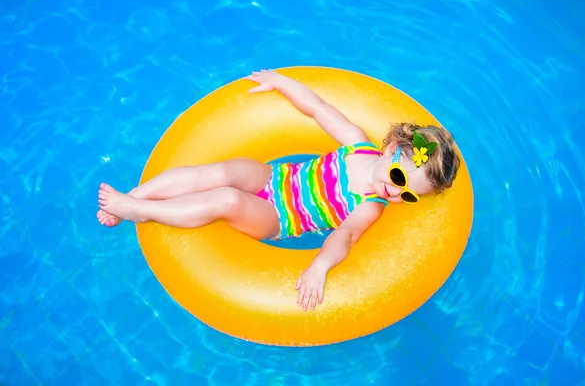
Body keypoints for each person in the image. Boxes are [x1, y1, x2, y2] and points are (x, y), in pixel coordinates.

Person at [96, 70, 460, 311]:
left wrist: (320, 266)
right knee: (221, 170)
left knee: (227, 199)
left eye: (408, 195)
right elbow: (319, 109)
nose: (396, 194)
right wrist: (282, 83)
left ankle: (140, 211)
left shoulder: (372, 204)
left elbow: (344, 236)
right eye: (399, 178)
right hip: (274, 178)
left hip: (278, 217)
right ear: (392, 148)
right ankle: (136, 195)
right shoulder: (357, 144)